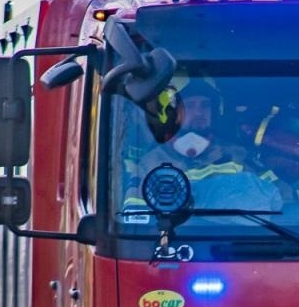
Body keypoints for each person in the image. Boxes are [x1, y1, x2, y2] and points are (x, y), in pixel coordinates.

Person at [119, 77, 280, 211]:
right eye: (190, 105)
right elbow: (137, 219)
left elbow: (282, 200)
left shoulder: (236, 154)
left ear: (216, 111)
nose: (199, 113)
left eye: (205, 105)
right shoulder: (152, 163)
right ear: (171, 113)